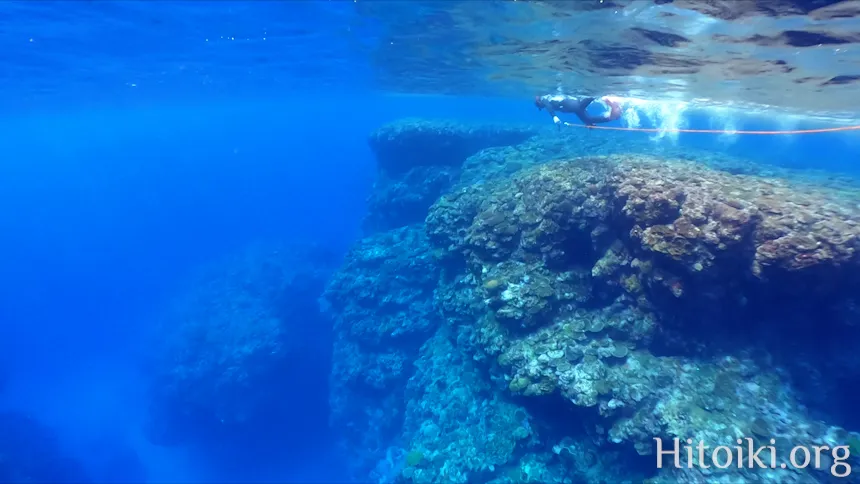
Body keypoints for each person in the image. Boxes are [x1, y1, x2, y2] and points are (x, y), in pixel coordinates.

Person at [534, 94, 622, 127]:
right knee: (588, 120)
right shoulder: (547, 99)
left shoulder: (544, 99)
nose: (542, 107)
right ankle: (611, 116)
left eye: (540, 107)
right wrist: (589, 124)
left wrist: (554, 116)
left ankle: (600, 95)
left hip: (572, 105)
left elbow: (548, 106)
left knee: (584, 103)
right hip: (574, 108)